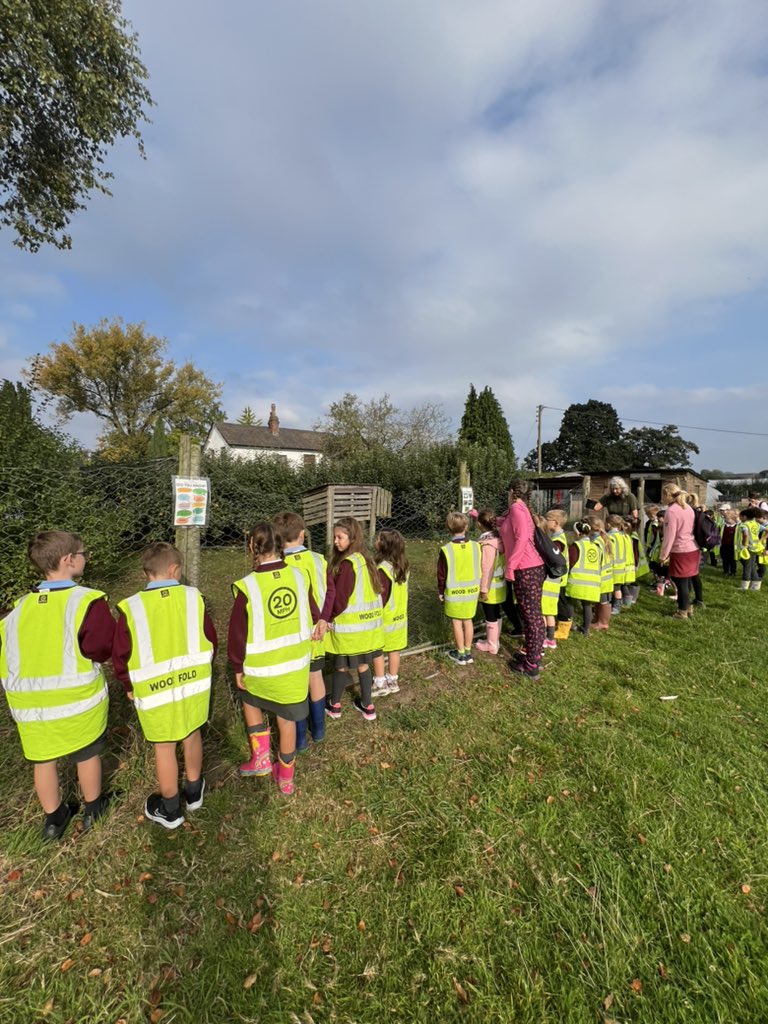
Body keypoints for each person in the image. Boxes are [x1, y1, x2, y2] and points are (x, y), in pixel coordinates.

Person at [0, 531, 114, 839]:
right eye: (83, 553)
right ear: (68, 560)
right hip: (77, 703)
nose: (85, 558)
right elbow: (101, 646)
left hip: (30, 707)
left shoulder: (19, 607)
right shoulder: (87, 601)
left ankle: (54, 818)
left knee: (43, 760)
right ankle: (93, 808)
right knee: (86, 753)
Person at [112, 542, 217, 829]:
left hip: (154, 691)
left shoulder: (131, 607)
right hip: (193, 685)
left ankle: (171, 809)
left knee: (164, 745)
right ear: (174, 569)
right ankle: (194, 792)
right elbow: (210, 637)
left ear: (146, 572)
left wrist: (126, 683)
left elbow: (121, 653)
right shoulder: (194, 597)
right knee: (192, 733)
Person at [228, 522, 320, 796]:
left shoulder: (248, 586)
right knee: (287, 718)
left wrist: (237, 666)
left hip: (260, 670)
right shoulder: (299, 577)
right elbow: (313, 613)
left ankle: (261, 759)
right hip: (294, 667)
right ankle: (287, 777)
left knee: (250, 702)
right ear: (281, 547)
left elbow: (237, 634)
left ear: (251, 548)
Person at [273, 511, 334, 749]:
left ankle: (299, 739)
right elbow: (331, 591)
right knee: (315, 677)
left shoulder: (277, 565)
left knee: (296, 685)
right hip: (317, 631)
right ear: (302, 535)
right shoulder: (319, 559)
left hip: (292, 635)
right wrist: (323, 619)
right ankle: (318, 730)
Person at [325, 516, 384, 720]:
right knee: (363, 666)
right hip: (366, 629)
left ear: (352, 538)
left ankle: (335, 704)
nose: (335, 541)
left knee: (340, 666)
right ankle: (368, 706)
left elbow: (340, 599)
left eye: (339, 537)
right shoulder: (365, 560)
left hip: (348, 629)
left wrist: (329, 618)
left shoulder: (348, 565)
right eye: (334, 537)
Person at [497, 479, 545, 679]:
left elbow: (522, 537)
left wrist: (511, 566)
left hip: (526, 568)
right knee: (530, 614)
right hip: (531, 568)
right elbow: (508, 526)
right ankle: (532, 654)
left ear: (511, 491)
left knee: (531, 616)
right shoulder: (519, 508)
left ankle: (532, 664)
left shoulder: (517, 508)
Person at [437, 511, 481, 665]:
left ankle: (460, 653)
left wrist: (440, 591)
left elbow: (441, 573)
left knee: (457, 622)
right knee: (468, 621)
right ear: (467, 526)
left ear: (448, 528)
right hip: (472, 592)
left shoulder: (446, 549)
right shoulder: (476, 546)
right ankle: (468, 652)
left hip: (454, 593)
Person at [371, 529, 409, 694]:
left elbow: (381, 596)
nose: (375, 540)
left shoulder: (382, 569)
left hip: (384, 618)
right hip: (399, 618)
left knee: (377, 649)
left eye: (377, 538)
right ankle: (393, 680)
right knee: (395, 649)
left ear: (383, 545)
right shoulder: (403, 566)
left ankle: (380, 683)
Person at [659, 485, 703, 619]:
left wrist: (663, 555)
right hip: (692, 548)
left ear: (668, 495)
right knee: (688, 580)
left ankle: (682, 611)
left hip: (680, 550)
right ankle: (688, 606)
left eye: (663, 494)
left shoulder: (671, 511)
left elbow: (669, 536)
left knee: (680, 582)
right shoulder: (688, 507)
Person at [474, 510, 506, 655]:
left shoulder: (487, 544)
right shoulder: (498, 539)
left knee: (490, 614)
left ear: (479, 525)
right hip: (500, 585)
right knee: (496, 613)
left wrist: (484, 588)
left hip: (490, 586)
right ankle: (495, 640)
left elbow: (486, 568)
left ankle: (491, 645)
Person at [565, 520, 603, 635]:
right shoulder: (596, 547)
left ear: (577, 533)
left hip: (577, 581)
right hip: (593, 582)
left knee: (570, 603)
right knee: (587, 605)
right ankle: (586, 629)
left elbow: (570, 562)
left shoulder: (576, 546)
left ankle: (570, 625)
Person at [540, 509, 569, 648]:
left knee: (544, 610)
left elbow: (552, 558)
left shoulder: (557, 541)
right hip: (557, 578)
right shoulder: (559, 537)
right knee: (550, 611)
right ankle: (550, 638)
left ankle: (545, 637)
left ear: (555, 523)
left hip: (553, 579)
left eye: (547, 519)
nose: (545, 522)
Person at [735, 507, 763, 592]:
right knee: (751, 566)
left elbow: (746, 535)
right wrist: (760, 540)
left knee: (746, 566)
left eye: (741, 517)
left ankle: (744, 586)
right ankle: (756, 585)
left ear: (745, 517)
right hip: (755, 548)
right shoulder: (756, 524)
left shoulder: (745, 525)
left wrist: (744, 545)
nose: (740, 518)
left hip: (748, 548)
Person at [719, 507, 737, 578]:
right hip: (724, 545)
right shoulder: (723, 526)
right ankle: (726, 571)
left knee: (732, 560)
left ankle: (733, 571)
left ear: (733, 519)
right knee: (725, 559)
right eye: (725, 519)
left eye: (728, 519)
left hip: (732, 546)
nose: (726, 520)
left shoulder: (736, 527)